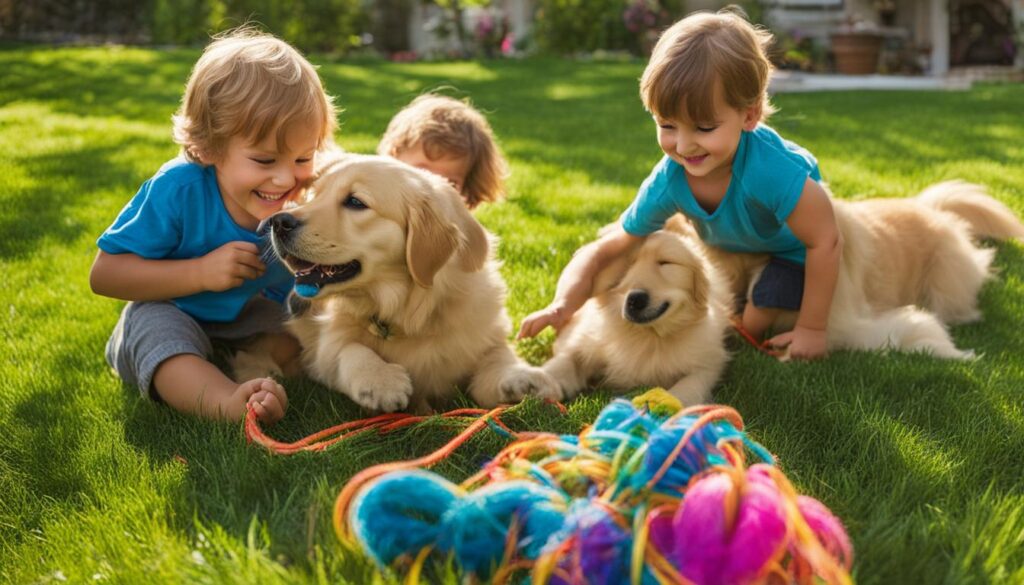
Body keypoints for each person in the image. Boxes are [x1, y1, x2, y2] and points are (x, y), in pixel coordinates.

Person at [518, 8, 842, 360]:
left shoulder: (772, 172)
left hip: (786, 251)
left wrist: (812, 329)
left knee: (754, 319)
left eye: (704, 128)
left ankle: (766, 312)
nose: (684, 146)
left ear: (748, 115)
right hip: (729, 247)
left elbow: (825, 241)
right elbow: (609, 246)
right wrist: (561, 305)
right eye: (668, 125)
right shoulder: (670, 179)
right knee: (716, 304)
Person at [89, 28, 337, 422]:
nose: (286, 179)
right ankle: (227, 402)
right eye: (264, 160)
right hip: (176, 308)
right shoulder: (178, 190)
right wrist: (200, 272)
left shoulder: (309, 190)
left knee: (313, 327)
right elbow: (105, 275)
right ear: (208, 148)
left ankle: (257, 365)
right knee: (160, 339)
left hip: (255, 314)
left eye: (303, 158)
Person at [378, 93, 509, 210]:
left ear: (466, 193)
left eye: (450, 184)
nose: (434, 192)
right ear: (393, 159)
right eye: (422, 174)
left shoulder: (456, 231)